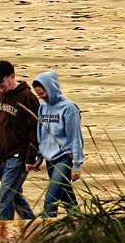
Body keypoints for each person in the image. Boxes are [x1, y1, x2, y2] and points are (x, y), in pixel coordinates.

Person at [0, 60, 40, 221]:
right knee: (14, 196)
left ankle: (3, 232)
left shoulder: (27, 97)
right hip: (2, 155)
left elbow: (36, 131)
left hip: (19, 157)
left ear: (12, 76)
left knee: (5, 195)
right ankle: (32, 225)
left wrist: (30, 158)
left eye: (0, 80)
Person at [30, 70, 84, 217]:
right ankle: (80, 224)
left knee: (50, 199)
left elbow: (75, 138)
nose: (41, 97)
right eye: (39, 95)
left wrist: (76, 165)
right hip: (49, 159)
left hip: (64, 158)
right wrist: (39, 157)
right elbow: (42, 133)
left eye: (43, 93)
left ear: (51, 88)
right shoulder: (43, 107)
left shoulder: (69, 108)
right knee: (67, 198)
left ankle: (46, 233)